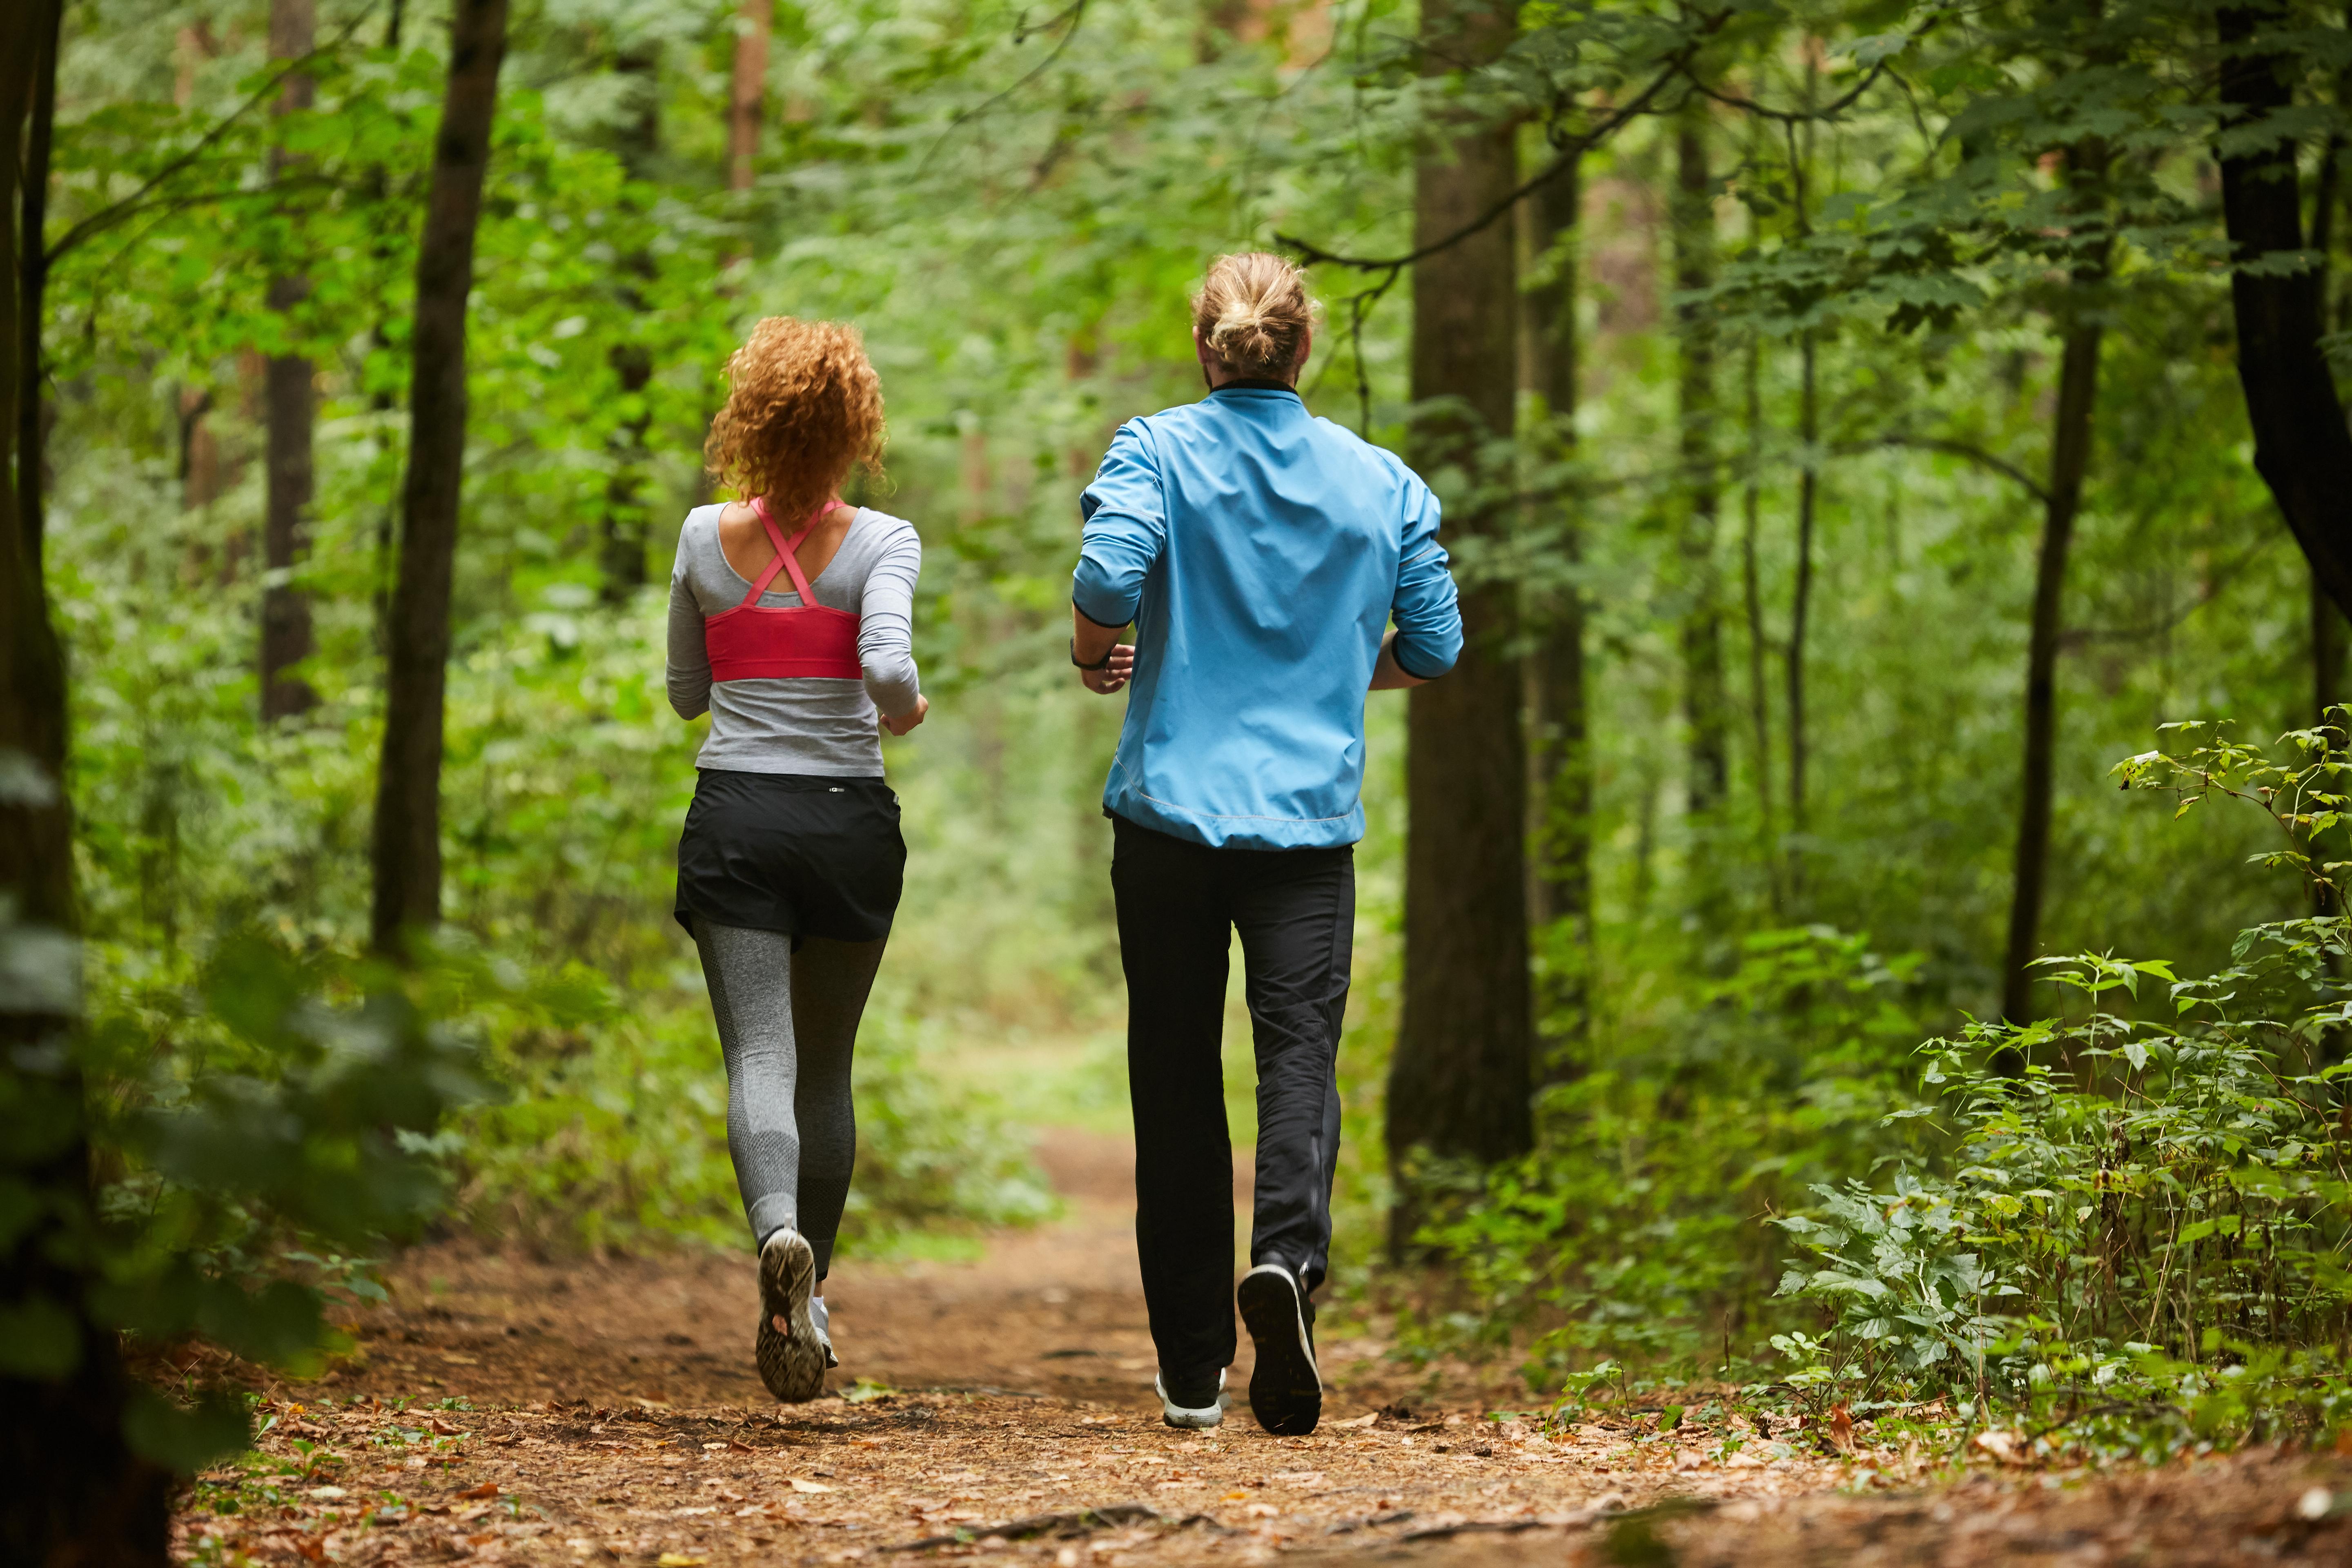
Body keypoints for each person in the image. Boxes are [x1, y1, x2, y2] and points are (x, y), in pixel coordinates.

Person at [1069, 253, 1464, 1435]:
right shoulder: (1383, 483)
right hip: (1305, 833)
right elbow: (1437, 646)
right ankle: (1285, 1267)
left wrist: (1099, 655)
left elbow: (1105, 574)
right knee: (1299, 1059)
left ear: (1208, 348)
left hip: (1168, 825)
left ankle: (1194, 1370)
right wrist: (1347, 675)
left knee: (1176, 1077)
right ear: (1304, 351)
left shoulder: (1155, 449)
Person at [666, 316, 929, 1403]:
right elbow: (888, 669)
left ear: (751, 420)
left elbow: (687, 695)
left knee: (759, 1060)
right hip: (845, 827)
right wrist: (904, 705)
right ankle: (808, 1300)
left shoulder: (697, 537)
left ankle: (775, 1231)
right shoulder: (885, 541)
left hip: (737, 818)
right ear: (853, 427)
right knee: (825, 1066)